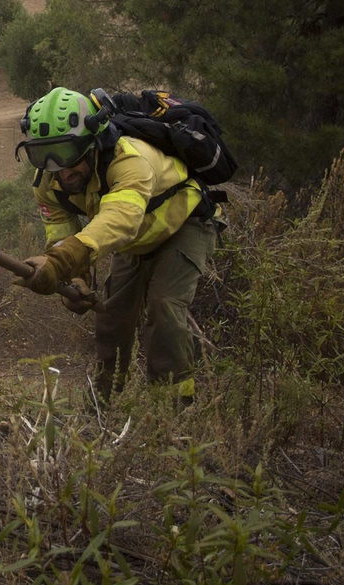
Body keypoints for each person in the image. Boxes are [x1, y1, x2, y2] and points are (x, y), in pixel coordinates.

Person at [15, 86, 218, 405]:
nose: (60, 170)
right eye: (43, 155)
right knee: (111, 318)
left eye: (67, 153)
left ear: (90, 143)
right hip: (136, 241)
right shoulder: (49, 185)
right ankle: (106, 402)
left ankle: (174, 407)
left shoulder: (130, 159)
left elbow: (121, 217)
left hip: (184, 224)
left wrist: (62, 260)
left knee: (164, 306)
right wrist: (74, 278)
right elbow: (60, 234)